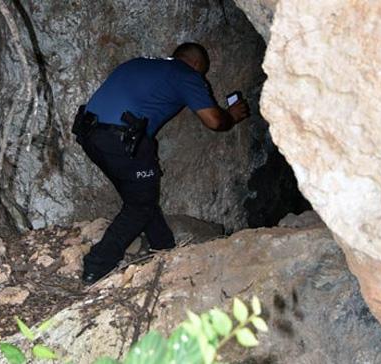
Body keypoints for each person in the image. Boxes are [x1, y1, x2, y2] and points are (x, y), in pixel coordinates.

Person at [73, 42, 249, 284]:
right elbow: (214, 121)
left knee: (141, 195)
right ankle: (96, 267)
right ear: (197, 65)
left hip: (89, 133)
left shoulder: (139, 63)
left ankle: (163, 248)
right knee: (140, 205)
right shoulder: (185, 74)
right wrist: (232, 115)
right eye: (203, 73)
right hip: (120, 139)